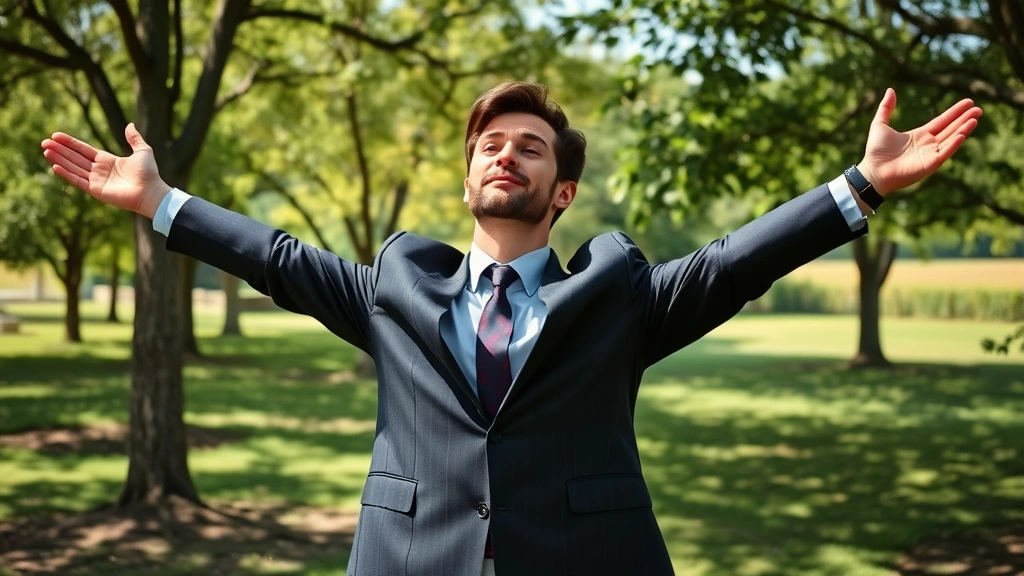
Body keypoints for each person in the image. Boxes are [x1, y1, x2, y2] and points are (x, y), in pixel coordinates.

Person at [41, 82, 981, 576]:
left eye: (530, 148)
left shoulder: (619, 294)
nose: (506, 155)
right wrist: (162, 202)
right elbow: (281, 258)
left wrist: (859, 187)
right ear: (468, 180)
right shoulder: (397, 288)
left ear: (560, 191)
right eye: (491, 145)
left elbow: (736, 261)